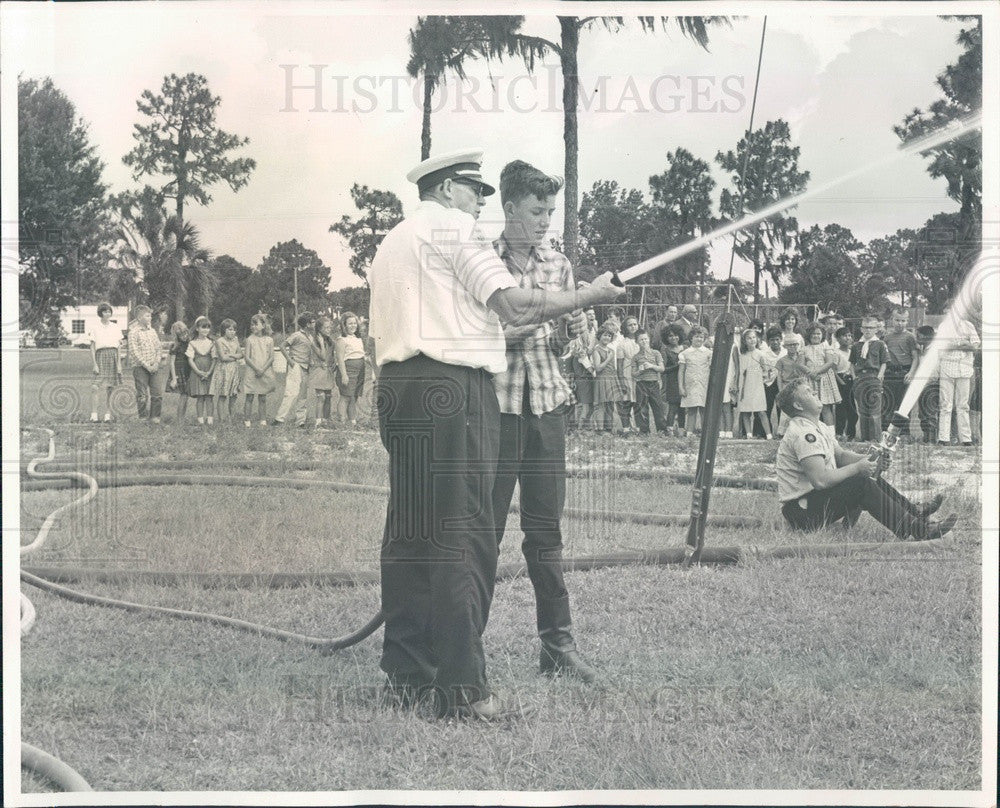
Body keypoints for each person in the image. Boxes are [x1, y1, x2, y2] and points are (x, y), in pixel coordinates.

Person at [368, 147, 622, 720]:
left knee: (410, 531)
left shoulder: (392, 242)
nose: (480, 203)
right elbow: (509, 303)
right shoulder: (459, 232)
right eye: (475, 192)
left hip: (398, 387)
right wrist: (589, 295)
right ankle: (462, 689)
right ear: (450, 189)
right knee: (465, 535)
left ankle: (407, 672)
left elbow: (469, 313)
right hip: (455, 392)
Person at [489, 159, 599, 686]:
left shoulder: (559, 265)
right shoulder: (482, 265)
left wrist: (574, 330)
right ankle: (465, 647)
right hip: (497, 414)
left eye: (550, 211)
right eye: (536, 211)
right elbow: (486, 338)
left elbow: (573, 345)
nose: (545, 222)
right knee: (481, 533)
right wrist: (539, 318)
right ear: (509, 208)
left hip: (547, 410)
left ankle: (558, 646)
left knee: (546, 533)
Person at [774, 377, 956, 541]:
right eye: (808, 392)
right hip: (801, 511)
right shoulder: (803, 434)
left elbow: (841, 456)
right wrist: (858, 468)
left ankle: (916, 513)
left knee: (868, 476)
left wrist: (871, 460)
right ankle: (917, 531)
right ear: (798, 406)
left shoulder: (817, 425)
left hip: (813, 502)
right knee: (861, 482)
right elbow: (820, 480)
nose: (815, 393)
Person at [937, 315, 980, 447]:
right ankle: (943, 438)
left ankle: (966, 439)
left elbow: (975, 347)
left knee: (963, 405)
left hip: (965, 368)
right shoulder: (943, 326)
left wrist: (962, 345)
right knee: (946, 404)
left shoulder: (968, 325)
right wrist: (962, 344)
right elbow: (941, 346)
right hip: (947, 367)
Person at [850, 316, 888, 442]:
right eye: (865, 327)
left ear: (876, 329)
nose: (868, 330)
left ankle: (875, 439)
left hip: (874, 377)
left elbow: (884, 362)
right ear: (861, 329)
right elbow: (852, 363)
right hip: (860, 378)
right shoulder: (856, 345)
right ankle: (865, 439)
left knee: (874, 411)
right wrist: (854, 377)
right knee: (862, 410)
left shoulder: (880, 344)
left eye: (871, 328)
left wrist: (879, 376)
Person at [882, 308, 919, 436]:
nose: (899, 323)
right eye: (897, 320)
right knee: (888, 403)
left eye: (903, 321)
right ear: (892, 319)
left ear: (907, 321)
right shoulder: (886, 337)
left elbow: (915, 357)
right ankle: (887, 433)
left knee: (904, 404)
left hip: (904, 372)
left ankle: (904, 433)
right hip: (890, 373)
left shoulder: (910, 337)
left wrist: (911, 372)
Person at [274, 312, 314, 427]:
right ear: (307, 324)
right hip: (296, 366)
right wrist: (290, 361)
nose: (314, 324)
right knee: (291, 393)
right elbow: (282, 346)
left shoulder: (310, 336)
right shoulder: (297, 335)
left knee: (303, 395)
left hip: (306, 368)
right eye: (313, 322)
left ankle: (300, 421)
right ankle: (279, 419)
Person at [127, 305, 166, 424]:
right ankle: (143, 418)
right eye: (147, 315)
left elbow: (159, 348)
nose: (150, 318)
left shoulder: (152, 331)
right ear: (139, 318)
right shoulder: (133, 332)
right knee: (142, 394)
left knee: (157, 393)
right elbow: (134, 352)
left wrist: (156, 363)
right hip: (141, 368)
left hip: (154, 367)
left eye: (150, 315)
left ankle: (155, 418)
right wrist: (146, 365)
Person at [732, 327, 773, 439]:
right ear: (744, 341)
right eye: (749, 338)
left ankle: (769, 435)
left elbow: (767, 370)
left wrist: (763, 379)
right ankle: (749, 434)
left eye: (754, 337)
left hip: (757, 386)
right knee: (745, 411)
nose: (752, 340)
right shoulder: (741, 355)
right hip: (744, 385)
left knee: (761, 411)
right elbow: (738, 370)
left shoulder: (760, 354)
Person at [88, 302, 123, 422]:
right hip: (100, 355)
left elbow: (119, 347)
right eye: (105, 311)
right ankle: (94, 415)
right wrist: (94, 364)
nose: (107, 314)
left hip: (113, 356)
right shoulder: (95, 327)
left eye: (109, 311)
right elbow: (92, 347)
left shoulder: (115, 327)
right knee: (95, 387)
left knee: (110, 387)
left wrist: (119, 364)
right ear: (100, 313)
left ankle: (108, 415)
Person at [801, 323, 841, 426]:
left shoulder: (825, 346)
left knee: (825, 407)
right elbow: (800, 365)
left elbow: (829, 362)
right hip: (809, 379)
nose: (816, 336)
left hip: (824, 379)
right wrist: (810, 373)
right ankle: (813, 432)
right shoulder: (805, 349)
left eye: (818, 333)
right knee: (811, 407)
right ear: (809, 335)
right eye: (813, 334)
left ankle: (830, 434)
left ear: (822, 335)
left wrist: (817, 372)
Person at [632, 330, 669, 434]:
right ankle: (644, 431)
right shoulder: (636, 357)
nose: (644, 341)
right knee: (642, 408)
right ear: (637, 342)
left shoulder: (656, 353)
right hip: (641, 384)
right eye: (641, 340)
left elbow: (662, 369)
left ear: (649, 340)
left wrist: (652, 366)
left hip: (654, 383)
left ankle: (662, 430)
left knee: (658, 407)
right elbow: (633, 374)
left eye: (645, 339)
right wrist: (640, 370)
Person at [243, 313, 275, 427]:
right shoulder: (249, 340)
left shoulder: (269, 340)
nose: (253, 327)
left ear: (263, 325)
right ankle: (247, 421)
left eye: (256, 324)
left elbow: (271, 357)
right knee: (250, 396)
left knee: (262, 397)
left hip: (264, 371)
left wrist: (263, 369)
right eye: (251, 324)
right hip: (252, 371)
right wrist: (257, 369)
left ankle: (263, 420)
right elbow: (247, 357)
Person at [209, 318, 244, 424]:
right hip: (223, 370)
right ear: (224, 330)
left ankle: (232, 418)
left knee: (233, 395)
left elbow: (241, 354)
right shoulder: (219, 341)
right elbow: (222, 358)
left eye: (234, 330)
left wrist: (232, 355)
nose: (232, 332)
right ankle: (221, 420)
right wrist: (236, 356)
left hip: (234, 370)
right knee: (223, 395)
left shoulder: (236, 340)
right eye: (229, 329)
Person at [334, 310, 366, 427]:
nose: (353, 326)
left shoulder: (358, 338)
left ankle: (352, 421)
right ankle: (341, 422)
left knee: (354, 396)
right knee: (346, 396)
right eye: (350, 323)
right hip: (348, 370)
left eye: (354, 323)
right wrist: (344, 375)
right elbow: (340, 359)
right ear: (344, 325)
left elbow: (360, 354)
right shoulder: (341, 340)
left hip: (360, 370)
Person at [679, 325, 711, 435]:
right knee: (692, 409)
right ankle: (689, 432)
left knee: (704, 409)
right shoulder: (685, 353)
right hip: (691, 384)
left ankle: (705, 432)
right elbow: (681, 372)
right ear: (691, 337)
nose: (699, 339)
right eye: (696, 336)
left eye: (701, 337)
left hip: (704, 384)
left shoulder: (708, 353)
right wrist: (681, 387)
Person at [774, 336, 809, 437]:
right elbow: (779, 377)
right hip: (787, 385)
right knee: (786, 409)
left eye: (795, 345)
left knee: (801, 408)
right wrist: (780, 390)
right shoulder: (782, 360)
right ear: (785, 346)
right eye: (790, 345)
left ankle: (802, 431)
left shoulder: (803, 358)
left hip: (800, 385)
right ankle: (782, 432)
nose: (793, 347)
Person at [185, 316, 216, 424]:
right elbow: (190, 359)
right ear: (197, 328)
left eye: (208, 327)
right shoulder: (193, 343)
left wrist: (209, 372)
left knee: (209, 397)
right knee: (200, 397)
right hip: (197, 372)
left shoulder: (212, 343)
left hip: (209, 371)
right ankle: (200, 420)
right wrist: (198, 372)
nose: (206, 330)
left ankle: (210, 419)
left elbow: (214, 359)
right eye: (203, 327)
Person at [308, 315, 336, 429]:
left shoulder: (331, 342)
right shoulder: (314, 342)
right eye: (326, 328)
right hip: (319, 371)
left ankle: (326, 420)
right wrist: (320, 341)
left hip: (328, 371)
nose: (329, 330)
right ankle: (318, 421)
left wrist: (334, 363)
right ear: (319, 329)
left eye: (330, 327)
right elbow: (323, 356)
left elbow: (330, 356)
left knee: (328, 396)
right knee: (321, 397)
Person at [591, 326, 620, 433]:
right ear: (599, 336)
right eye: (605, 335)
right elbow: (598, 368)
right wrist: (608, 359)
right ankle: (600, 429)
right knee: (601, 404)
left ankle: (609, 428)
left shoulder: (611, 350)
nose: (607, 337)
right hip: (602, 379)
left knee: (610, 404)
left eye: (609, 336)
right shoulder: (596, 350)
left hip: (612, 378)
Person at [913, 325, 939, 444]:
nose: (916, 338)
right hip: (922, 385)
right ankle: (926, 437)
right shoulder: (923, 349)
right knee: (922, 413)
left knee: (930, 413)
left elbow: (934, 371)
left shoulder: (934, 350)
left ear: (924, 336)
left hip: (931, 384)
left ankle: (931, 439)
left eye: (918, 335)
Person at [659, 324, 685, 434]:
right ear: (666, 338)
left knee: (683, 406)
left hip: (684, 380)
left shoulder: (685, 348)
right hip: (672, 381)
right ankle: (669, 429)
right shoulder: (665, 350)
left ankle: (681, 430)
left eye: (676, 335)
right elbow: (663, 369)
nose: (674, 338)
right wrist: (678, 365)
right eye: (670, 336)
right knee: (673, 405)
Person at [832, 326, 857, 440]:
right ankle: (839, 433)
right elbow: (832, 370)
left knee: (852, 408)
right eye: (844, 336)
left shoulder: (852, 352)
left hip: (851, 380)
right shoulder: (836, 353)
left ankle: (851, 434)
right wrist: (840, 382)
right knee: (841, 409)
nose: (847, 338)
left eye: (849, 336)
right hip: (841, 380)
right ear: (838, 339)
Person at [761, 327, 785, 438]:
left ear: (781, 339)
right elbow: (763, 369)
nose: (775, 342)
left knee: (782, 407)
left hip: (783, 382)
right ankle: (765, 432)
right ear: (768, 341)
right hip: (768, 383)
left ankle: (782, 432)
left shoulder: (785, 352)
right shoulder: (765, 354)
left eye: (777, 339)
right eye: (772, 340)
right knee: (767, 407)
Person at [168, 321, 191, 425]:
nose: (184, 336)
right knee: (183, 395)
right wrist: (174, 378)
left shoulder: (190, 343)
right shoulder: (175, 346)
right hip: (179, 371)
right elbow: (171, 363)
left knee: (186, 396)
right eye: (181, 335)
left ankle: (182, 419)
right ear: (177, 336)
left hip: (188, 370)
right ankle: (179, 421)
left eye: (185, 333)